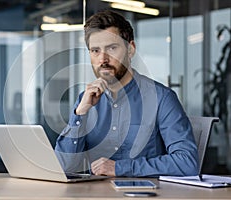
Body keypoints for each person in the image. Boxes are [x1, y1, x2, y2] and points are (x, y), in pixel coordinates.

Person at [54, 10, 199, 177]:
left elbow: (187, 162)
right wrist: (79, 114)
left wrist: (119, 168)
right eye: (95, 51)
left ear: (130, 49)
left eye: (112, 48)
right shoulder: (85, 100)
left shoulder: (162, 98)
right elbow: (64, 166)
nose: (103, 59)